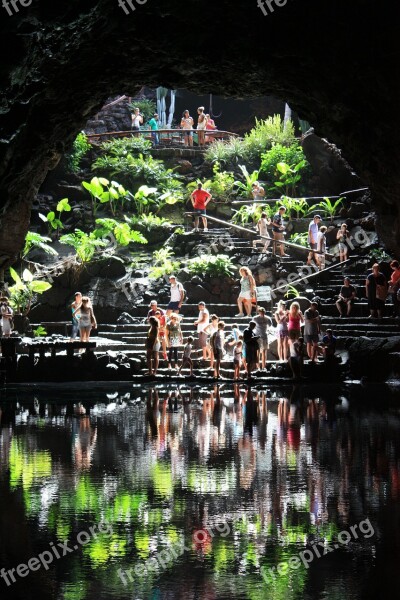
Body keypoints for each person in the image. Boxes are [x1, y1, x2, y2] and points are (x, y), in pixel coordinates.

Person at [253, 306, 272, 370]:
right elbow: (252, 326)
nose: (262, 313)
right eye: (261, 312)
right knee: (257, 352)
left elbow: (270, 326)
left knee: (264, 352)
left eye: (263, 312)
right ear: (259, 312)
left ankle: (264, 366)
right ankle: (258, 366)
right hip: (257, 336)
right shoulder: (255, 318)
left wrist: (269, 332)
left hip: (264, 336)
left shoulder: (267, 318)